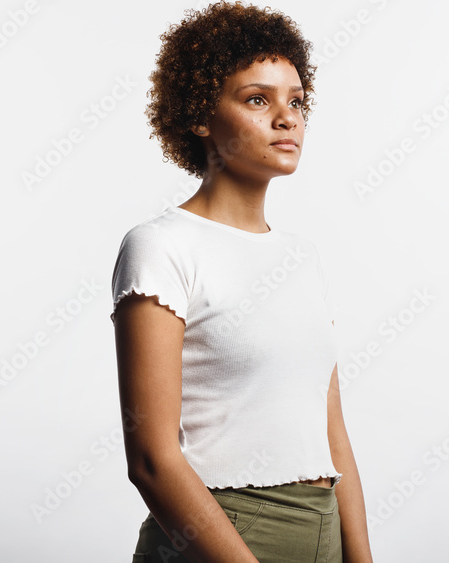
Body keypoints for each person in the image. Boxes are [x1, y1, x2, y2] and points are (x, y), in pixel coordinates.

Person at [110, 2, 374, 562]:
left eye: (296, 101)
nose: (288, 118)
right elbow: (152, 460)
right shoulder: (161, 246)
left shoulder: (301, 258)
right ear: (200, 115)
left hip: (323, 531)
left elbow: (332, 432)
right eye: (258, 99)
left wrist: (361, 555)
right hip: (221, 537)